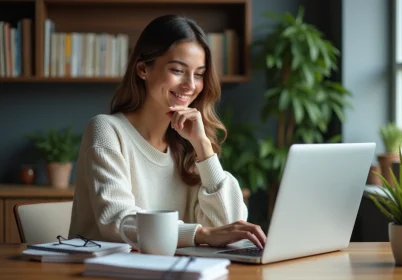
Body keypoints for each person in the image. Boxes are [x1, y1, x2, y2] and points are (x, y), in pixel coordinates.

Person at [68, 14, 266, 249]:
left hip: (174, 271)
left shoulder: (188, 143)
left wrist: (203, 148)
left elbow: (230, 226)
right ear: (143, 69)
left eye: (199, 74)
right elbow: (116, 222)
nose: (191, 85)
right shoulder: (106, 131)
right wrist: (199, 234)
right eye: (178, 70)